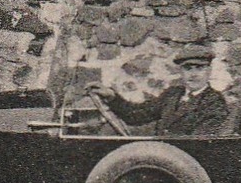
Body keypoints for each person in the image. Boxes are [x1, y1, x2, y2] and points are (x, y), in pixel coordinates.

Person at [89, 48, 232, 136]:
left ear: (209, 71)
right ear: (181, 71)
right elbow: (136, 114)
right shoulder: (173, 94)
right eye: (188, 68)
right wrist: (112, 96)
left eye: (199, 68)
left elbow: (199, 144)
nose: (193, 74)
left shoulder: (214, 101)